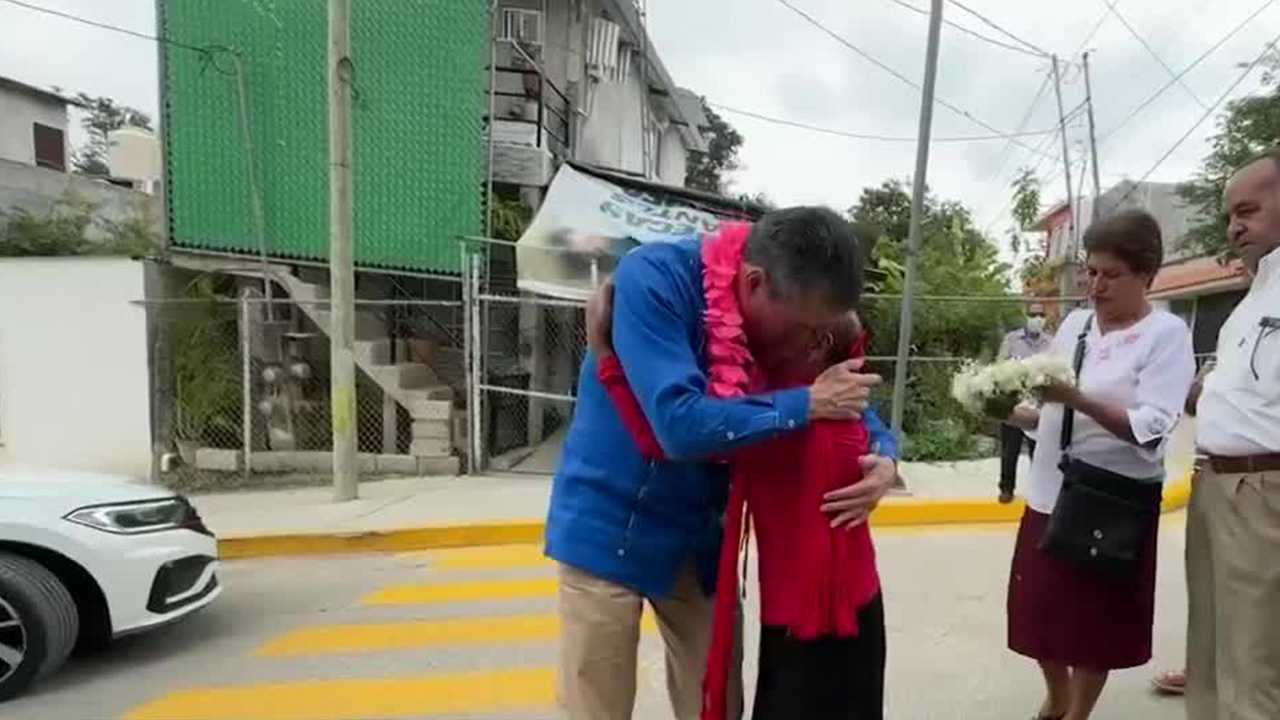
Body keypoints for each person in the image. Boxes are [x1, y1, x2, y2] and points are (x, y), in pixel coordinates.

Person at [545, 208, 901, 720]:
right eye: (805, 328)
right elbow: (677, 424)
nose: (810, 343)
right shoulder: (657, 280)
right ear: (754, 282)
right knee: (595, 709)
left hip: (701, 539)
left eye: (821, 332)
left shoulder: (790, 321)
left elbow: (842, 390)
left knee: (716, 707)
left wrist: (884, 455)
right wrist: (806, 404)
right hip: (609, 526)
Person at [596, 310, 886, 720]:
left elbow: (664, 441)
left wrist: (607, 361)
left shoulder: (786, 422)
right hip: (855, 609)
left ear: (816, 343)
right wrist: (888, 457)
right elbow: (871, 424)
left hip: (808, 624)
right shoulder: (837, 405)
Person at [1004, 209, 1195, 720]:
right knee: (1038, 609)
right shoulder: (1075, 325)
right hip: (1051, 490)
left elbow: (1151, 427)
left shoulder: (1165, 334)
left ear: (1146, 274)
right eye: (1091, 271)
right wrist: (1013, 413)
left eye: (1112, 274)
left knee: (1094, 624)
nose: (1096, 285)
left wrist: (1077, 398)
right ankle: (1057, 695)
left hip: (1112, 499)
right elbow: (1055, 411)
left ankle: (1078, 712)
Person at [1184, 148, 1280, 720]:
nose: (1233, 227)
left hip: (1263, 492)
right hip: (1215, 487)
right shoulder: (1254, 296)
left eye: (1248, 210)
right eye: (1229, 215)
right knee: (1211, 652)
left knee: (1254, 666)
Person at [997, 303, 1053, 503]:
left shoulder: (1051, 342)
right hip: (1014, 401)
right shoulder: (1011, 340)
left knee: (1039, 450)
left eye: (1041, 315)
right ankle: (1006, 488)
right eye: (1033, 314)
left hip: (1040, 404)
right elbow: (1000, 367)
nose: (1037, 319)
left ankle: (1039, 489)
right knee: (1009, 449)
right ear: (1025, 315)